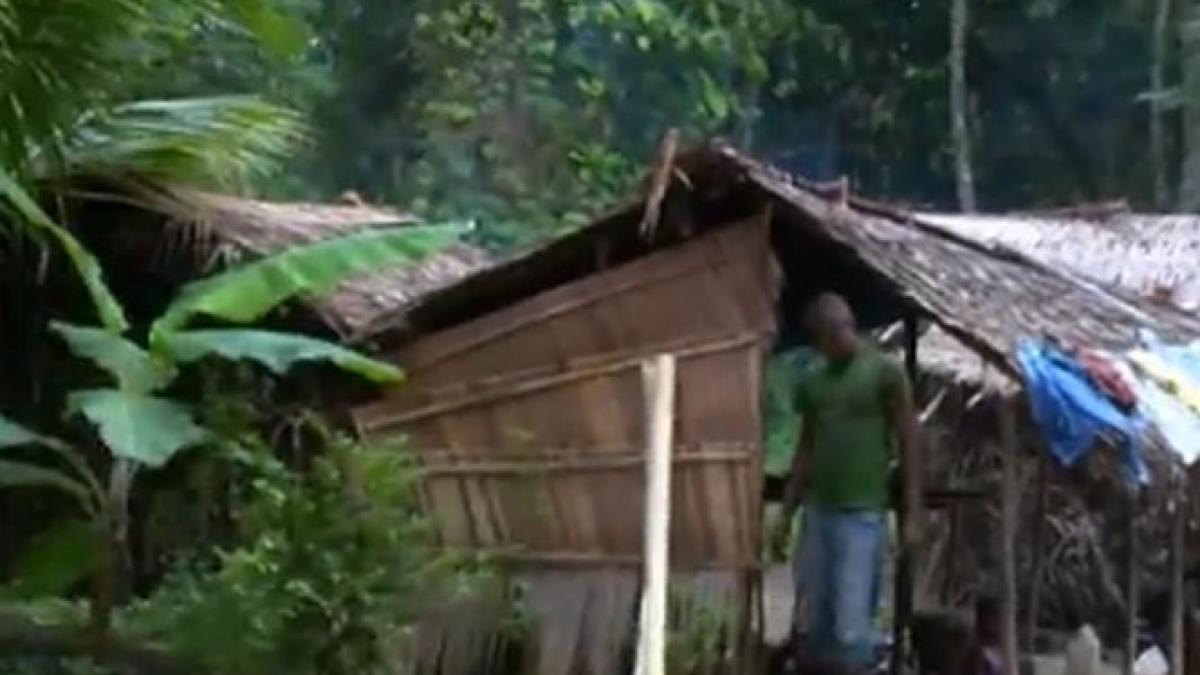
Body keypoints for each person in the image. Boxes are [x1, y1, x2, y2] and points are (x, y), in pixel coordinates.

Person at [771, 292, 923, 675]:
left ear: (849, 325)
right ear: (819, 341)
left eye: (841, 330)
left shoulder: (884, 373)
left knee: (851, 623)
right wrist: (786, 512)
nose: (837, 339)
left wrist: (913, 511)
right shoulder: (814, 382)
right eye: (828, 335)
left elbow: (909, 440)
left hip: (862, 513)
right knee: (814, 615)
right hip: (819, 509)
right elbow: (806, 448)